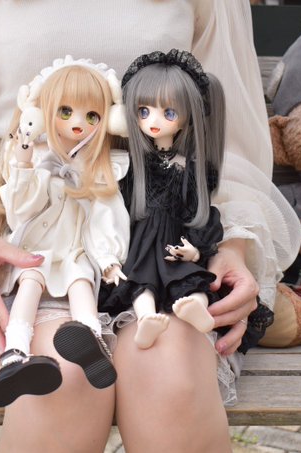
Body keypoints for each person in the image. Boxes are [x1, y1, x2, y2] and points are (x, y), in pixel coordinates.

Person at [0, 1, 301, 451]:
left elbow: (228, 143)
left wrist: (232, 245)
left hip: (160, 238)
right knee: (60, 377)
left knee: (170, 371)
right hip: (22, 233)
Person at [0, 58, 130, 407]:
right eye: (66, 111)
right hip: (37, 248)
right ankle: (15, 354)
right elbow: (19, 212)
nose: (78, 123)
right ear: (40, 112)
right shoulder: (32, 156)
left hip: (75, 249)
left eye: (91, 116)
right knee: (29, 284)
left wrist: (108, 258)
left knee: (81, 281)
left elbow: (105, 216)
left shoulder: (100, 166)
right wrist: (23, 163)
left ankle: (91, 340)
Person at [99, 50, 227, 350]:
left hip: (174, 242)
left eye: (169, 113)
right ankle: (146, 320)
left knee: (191, 277)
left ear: (187, 117)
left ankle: (197, 308)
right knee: (139, 280)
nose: (153, 121)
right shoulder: (132, 166)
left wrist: (195, 250)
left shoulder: (190, 169)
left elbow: (199, 212)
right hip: (140, 243)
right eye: (143, 111)